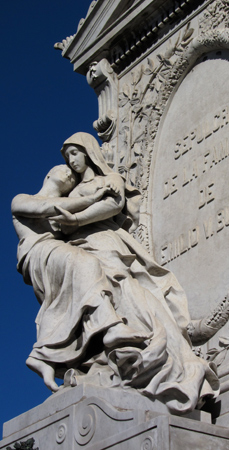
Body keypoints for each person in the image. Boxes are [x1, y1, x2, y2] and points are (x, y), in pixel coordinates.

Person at [50, 132, 220, 414]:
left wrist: (77, 219)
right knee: (94, 296)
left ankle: (160, 354)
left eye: (75, 153)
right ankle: (110, 353)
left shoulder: (109, 180)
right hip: (79, 248)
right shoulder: (69, 191)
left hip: (104, 241)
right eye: (67, 155)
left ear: (88, 152)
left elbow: (113, 205)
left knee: (123, 288)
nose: (71, 160)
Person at [12, 165, 149, 392]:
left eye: (73, 176)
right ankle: (112, 327)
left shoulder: (64, 214)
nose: (69, 173)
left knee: (61, 304)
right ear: (47, 174)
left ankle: (42, 356)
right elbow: (48, 206)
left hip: (54, 255)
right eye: (62, 169)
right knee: (85, 263)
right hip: (38, 253)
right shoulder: (21, 199)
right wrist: (94, 197)